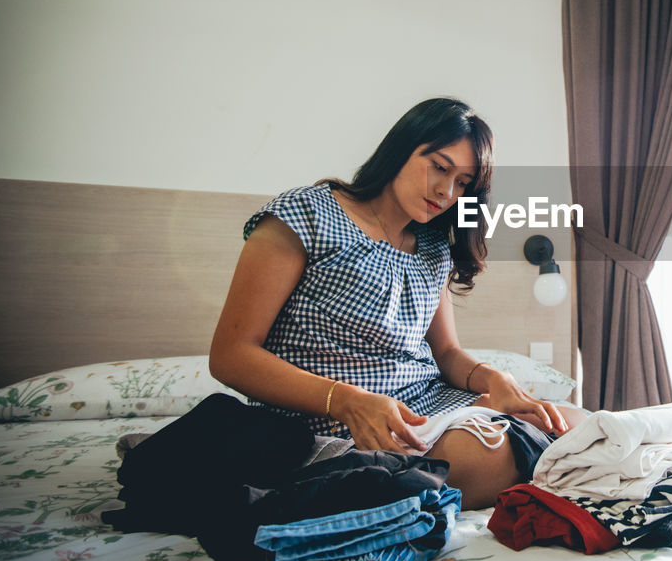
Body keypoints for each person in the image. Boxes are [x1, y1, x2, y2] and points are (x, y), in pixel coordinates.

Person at [209, 97, 575, 509]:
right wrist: (347, 401)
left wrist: (495, 380)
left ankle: (519, 459)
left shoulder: (433, 245)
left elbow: (447, 352)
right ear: (402, 148)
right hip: (332, 423)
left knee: (573, 423)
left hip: (427, 409)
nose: (446, 191)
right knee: (493, 454)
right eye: (439, 167)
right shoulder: (306, 214)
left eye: (463, 183)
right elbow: (231, 355)